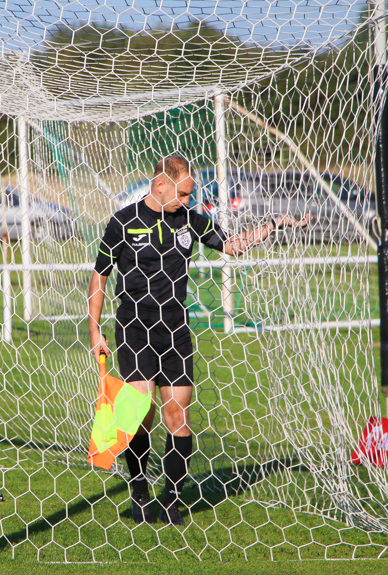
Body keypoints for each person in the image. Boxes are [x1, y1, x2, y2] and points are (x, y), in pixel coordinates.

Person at [87, 155, 309, 526]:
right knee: (140, 414)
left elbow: (233, 245)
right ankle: (140, 488)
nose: (188, 201)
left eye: (191, 194)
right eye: (185, 193)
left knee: (178, 415)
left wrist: (275, 224)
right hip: (133, 328)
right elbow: (100, 277)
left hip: (175, 329)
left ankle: (171, 499)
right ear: (161, 185)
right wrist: (94, 331)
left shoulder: (190, 220)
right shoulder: (123, 222)